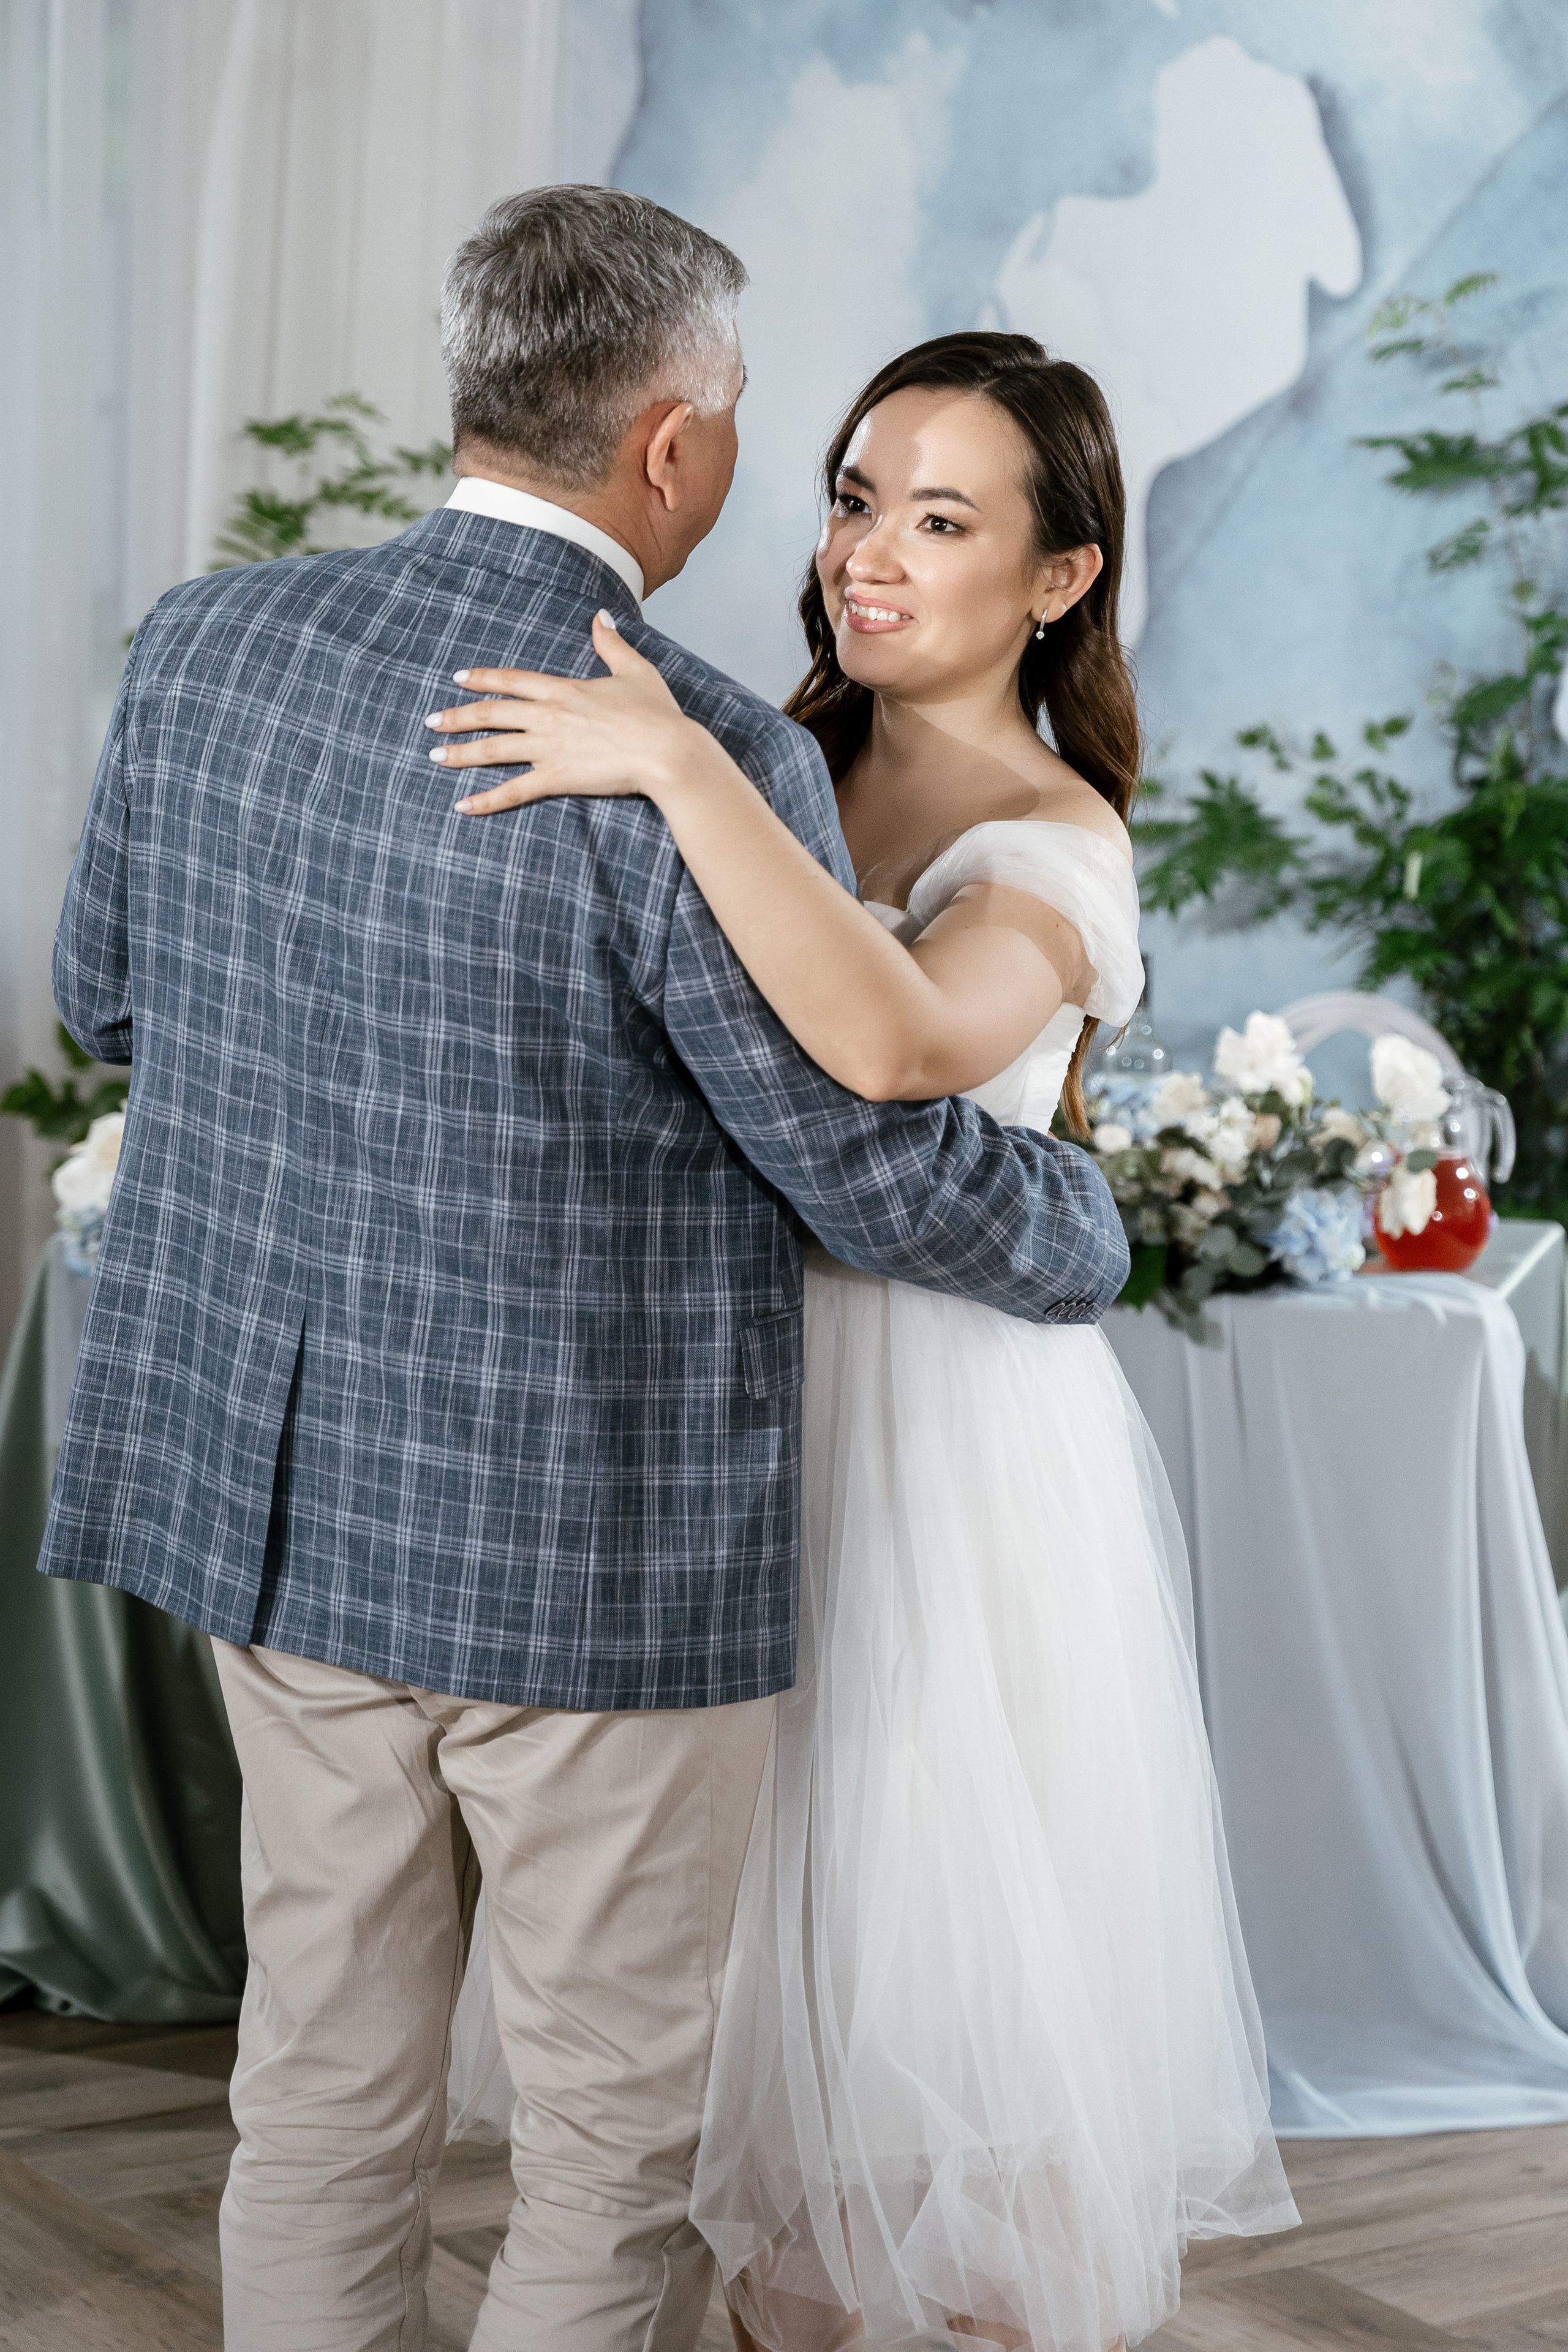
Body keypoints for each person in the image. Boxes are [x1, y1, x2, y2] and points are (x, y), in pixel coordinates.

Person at [39, 195, 1131, 2351]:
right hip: (588, 1550)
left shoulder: (200, 642)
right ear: (673, 445)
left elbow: (106, 1001)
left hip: (284, 1514)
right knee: (607, 2147)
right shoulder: (699, 736)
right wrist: (1087, 1223)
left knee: (321, 2089)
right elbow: (864, 1167)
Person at [429, 328, 1300, 2350]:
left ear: (1059, 575)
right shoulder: (775, 759)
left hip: (953, 1457)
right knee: (728, 2021)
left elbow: (900, 1046)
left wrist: (667, 765)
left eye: (939, 518)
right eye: (848, 498)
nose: (866, 556)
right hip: (730, 1422)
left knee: (945, 2035)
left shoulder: (1055, 837)